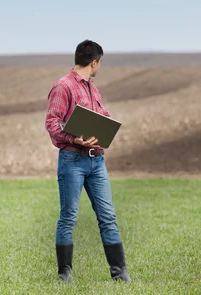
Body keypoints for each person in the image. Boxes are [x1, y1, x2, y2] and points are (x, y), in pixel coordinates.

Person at [45, 39, 130, 283]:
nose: (98, 67)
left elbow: (102, 115)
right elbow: (52, 122)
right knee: (69, 217)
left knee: (108, 216)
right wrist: (75, 138)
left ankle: (120, 274)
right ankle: (65, 274)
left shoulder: (93, 88)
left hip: (97, 162)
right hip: (72, 160)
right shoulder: (63, 87)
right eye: (99, 63)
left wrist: (105, 126)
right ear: (94, 62)